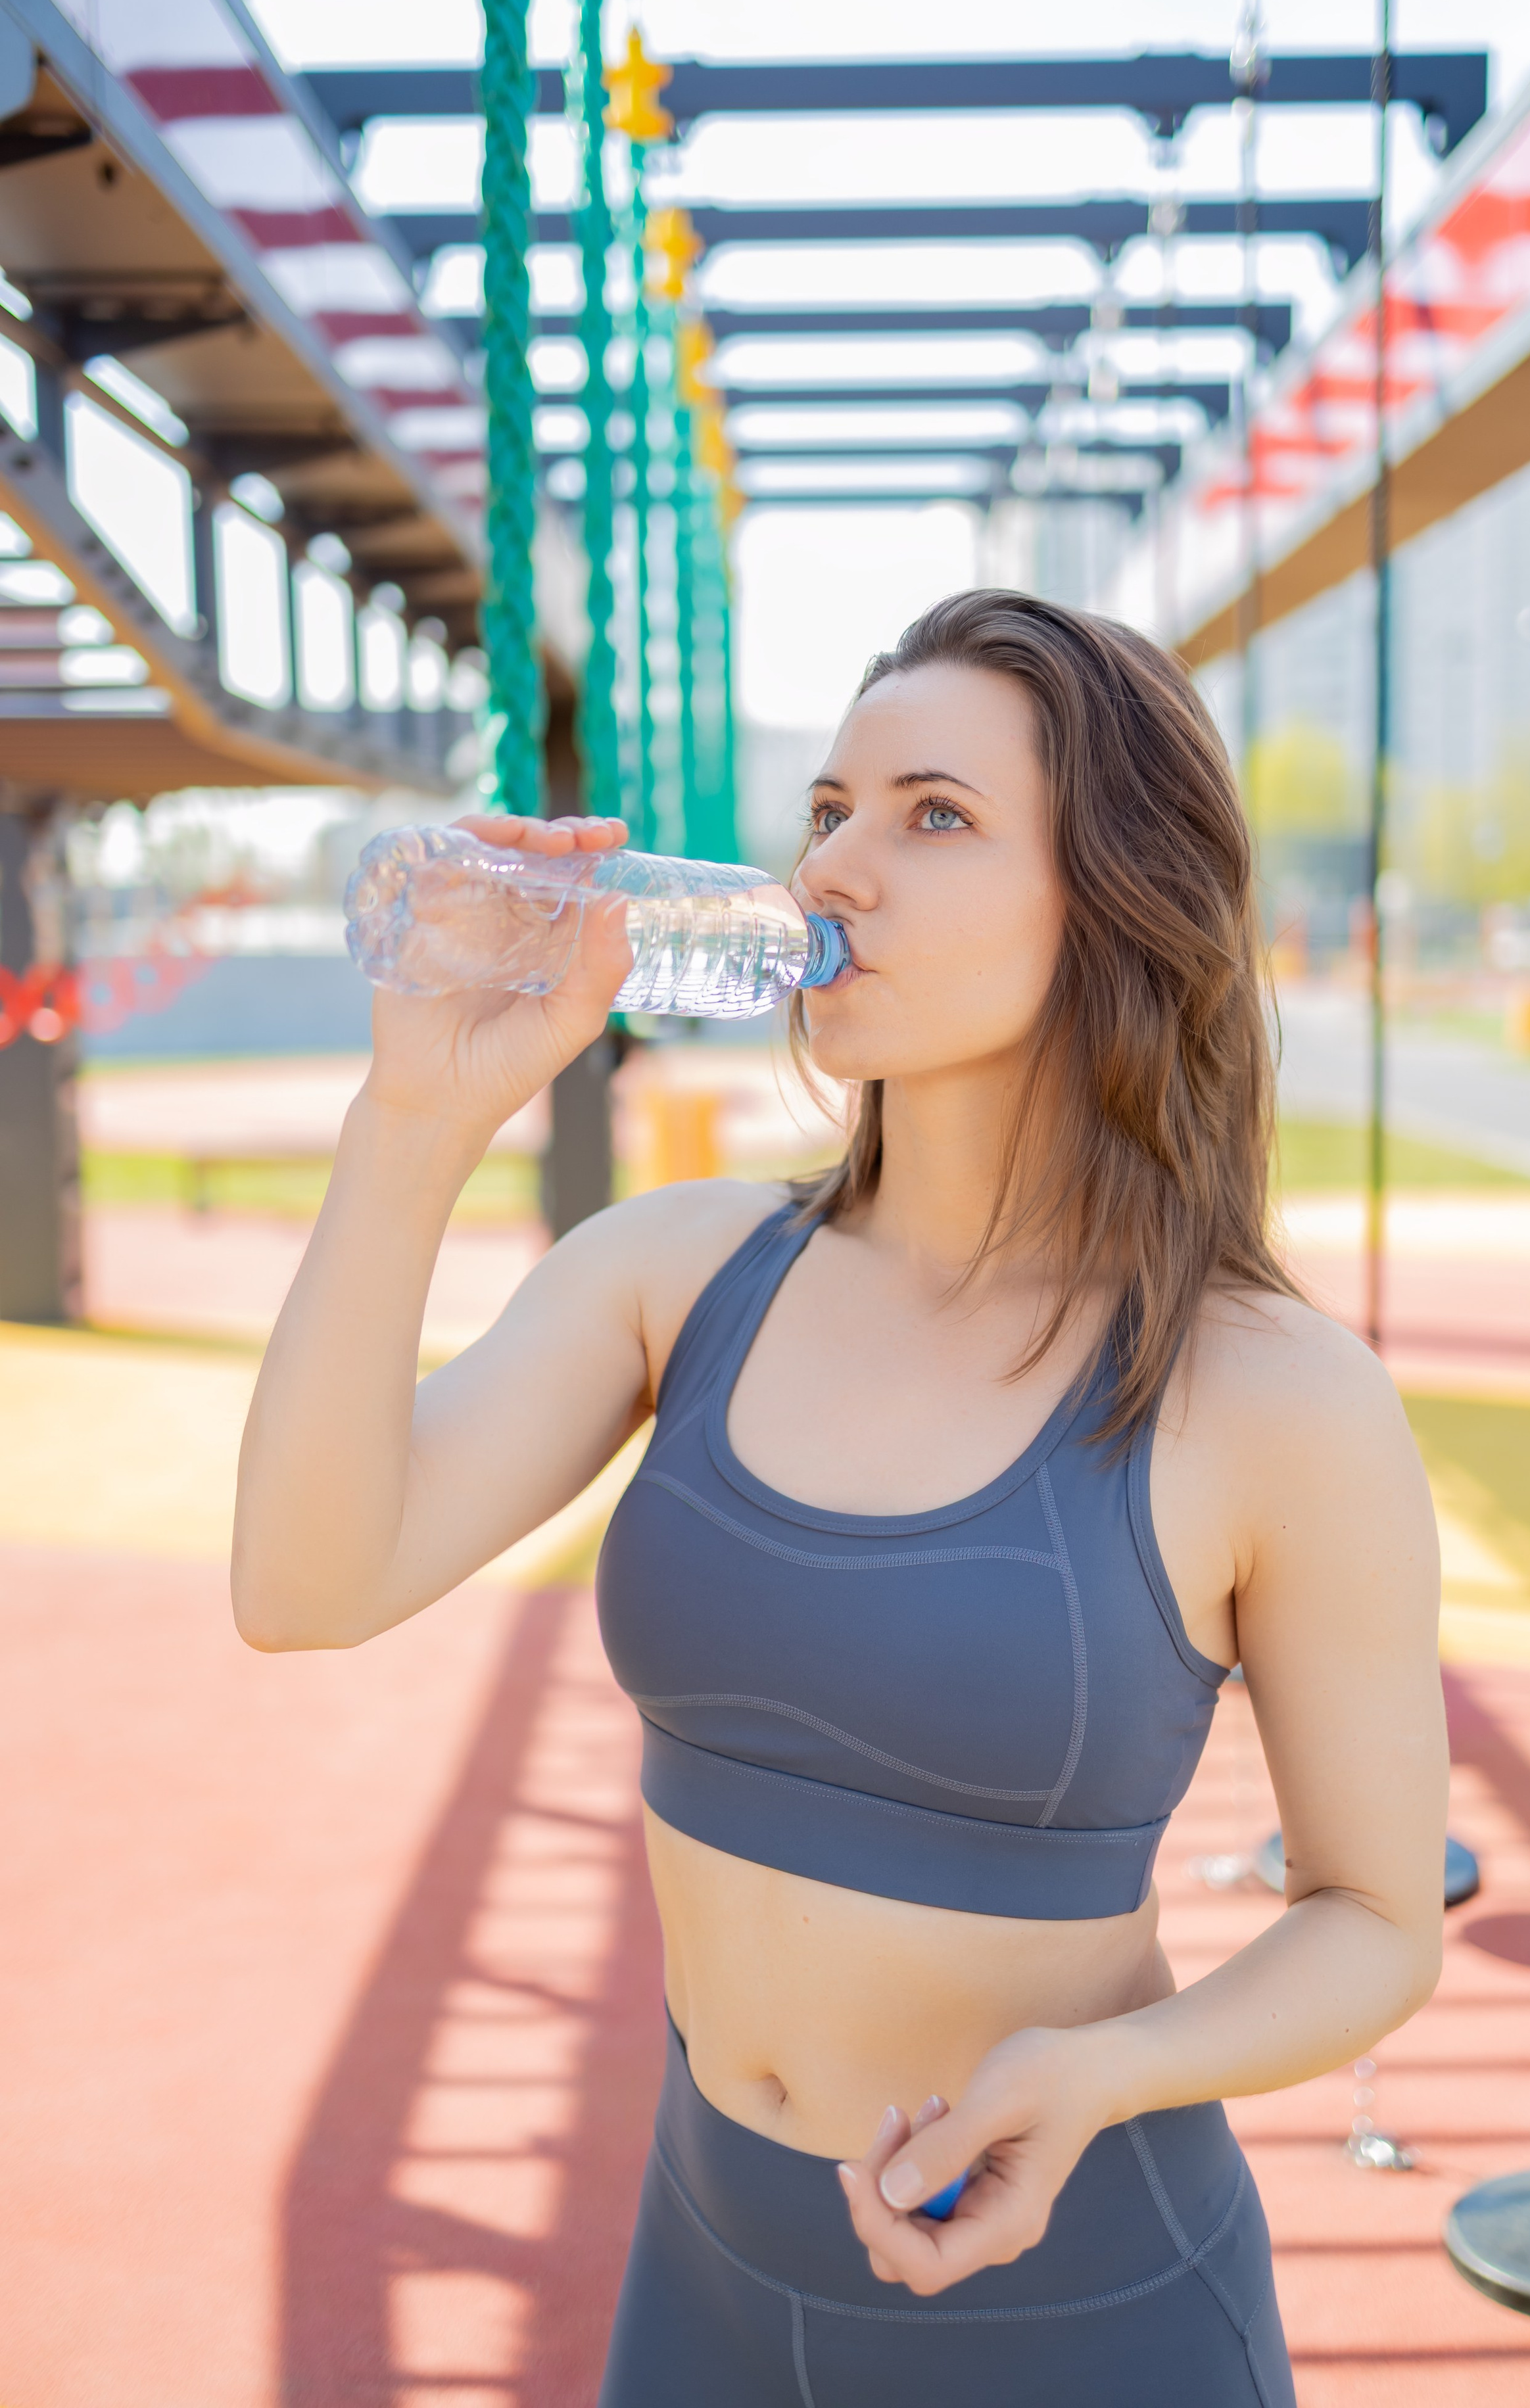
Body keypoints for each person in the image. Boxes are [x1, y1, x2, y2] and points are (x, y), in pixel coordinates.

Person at [233, 590, 1446, 2406]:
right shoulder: (677, 1272)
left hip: (1085, 2309)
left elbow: (1376, 1918)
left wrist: (1106, 2072)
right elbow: (302, 1584)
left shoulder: (1275, 1396)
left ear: (1114, 897)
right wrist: (412, 1125)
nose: (838, 868)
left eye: (933, 815)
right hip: (705, 2283)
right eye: (829, 811)